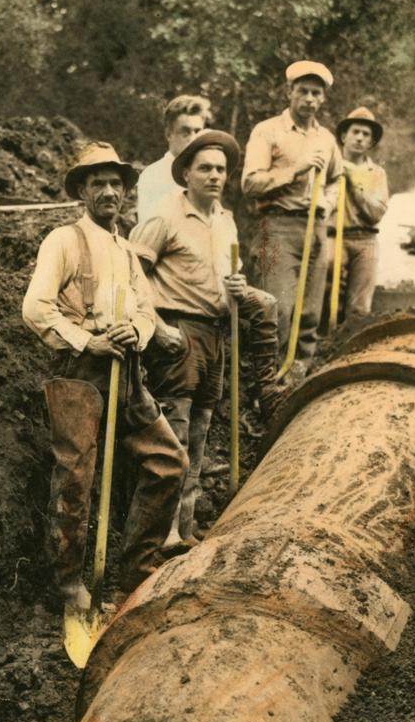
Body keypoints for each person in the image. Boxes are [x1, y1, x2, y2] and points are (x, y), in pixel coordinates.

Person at [22, 141, 188, 610]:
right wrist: (86, 339)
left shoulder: (127, 248)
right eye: (99, 183)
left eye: (116, 183)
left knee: (168, 461)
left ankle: (135, 574)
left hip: (128, 373)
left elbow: (145, 308)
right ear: (82, 191)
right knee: (76, 479)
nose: (109, 192)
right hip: (81, 373)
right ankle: (69, 586)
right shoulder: (64, 241)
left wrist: (136, 330)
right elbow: (35, 308)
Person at [131, 129, 279, 546]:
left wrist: (237, 289)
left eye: (221, 169)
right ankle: (160, 537)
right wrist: (156, 327)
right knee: (173, 436)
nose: (214, 176)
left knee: (200, 432)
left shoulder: (226, 220)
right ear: (187, 174)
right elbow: (132, 272)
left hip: (216, 334)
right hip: (179, 333)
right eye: (205, 168)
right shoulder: (163, 216)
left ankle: (186, 528)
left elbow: (224, 278)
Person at [242, 60, 343, 368]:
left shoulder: (326, 139)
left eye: (316, 93)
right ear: (289, 92)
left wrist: (328, 201)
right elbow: (249, 183)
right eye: (303, 91)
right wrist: (294, 170)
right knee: (279, 311)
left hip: (315, 228)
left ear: (323, 98)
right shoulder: (268, 131)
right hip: (277, 227)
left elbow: (338, 179)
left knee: (310, 313)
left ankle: (300, 378)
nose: (310, 99)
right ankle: (269, 383)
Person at [327, 106, 388, 320]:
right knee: (326, 298)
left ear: (371, 142)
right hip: (333, 238)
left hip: (365, 240)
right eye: (355, 132)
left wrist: (355, 185)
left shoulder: (377, 173)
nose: (360, 138)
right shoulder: (329, 166)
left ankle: (353, 350)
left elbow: (376, 212)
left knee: (359, 308)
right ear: (344, 136)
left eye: (366, 134)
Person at [136, 94, 211, 223]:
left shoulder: (209, 174)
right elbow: (149, 234)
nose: (193, 139)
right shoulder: (153, 176)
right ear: (169, 134)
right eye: (185, 132)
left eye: (197, 132)